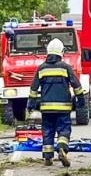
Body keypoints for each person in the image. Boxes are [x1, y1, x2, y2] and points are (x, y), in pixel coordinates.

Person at [29, 38, 82, 167]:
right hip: (63, 108)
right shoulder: (66, 67)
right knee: (64, 129)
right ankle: (62, 148)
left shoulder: (41, 68)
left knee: (47, 130)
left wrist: (30, 104)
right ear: (61, 52)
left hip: (46, 108)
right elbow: (76, 84)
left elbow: (33, 88)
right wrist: (80, 100)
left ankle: (48, 157)